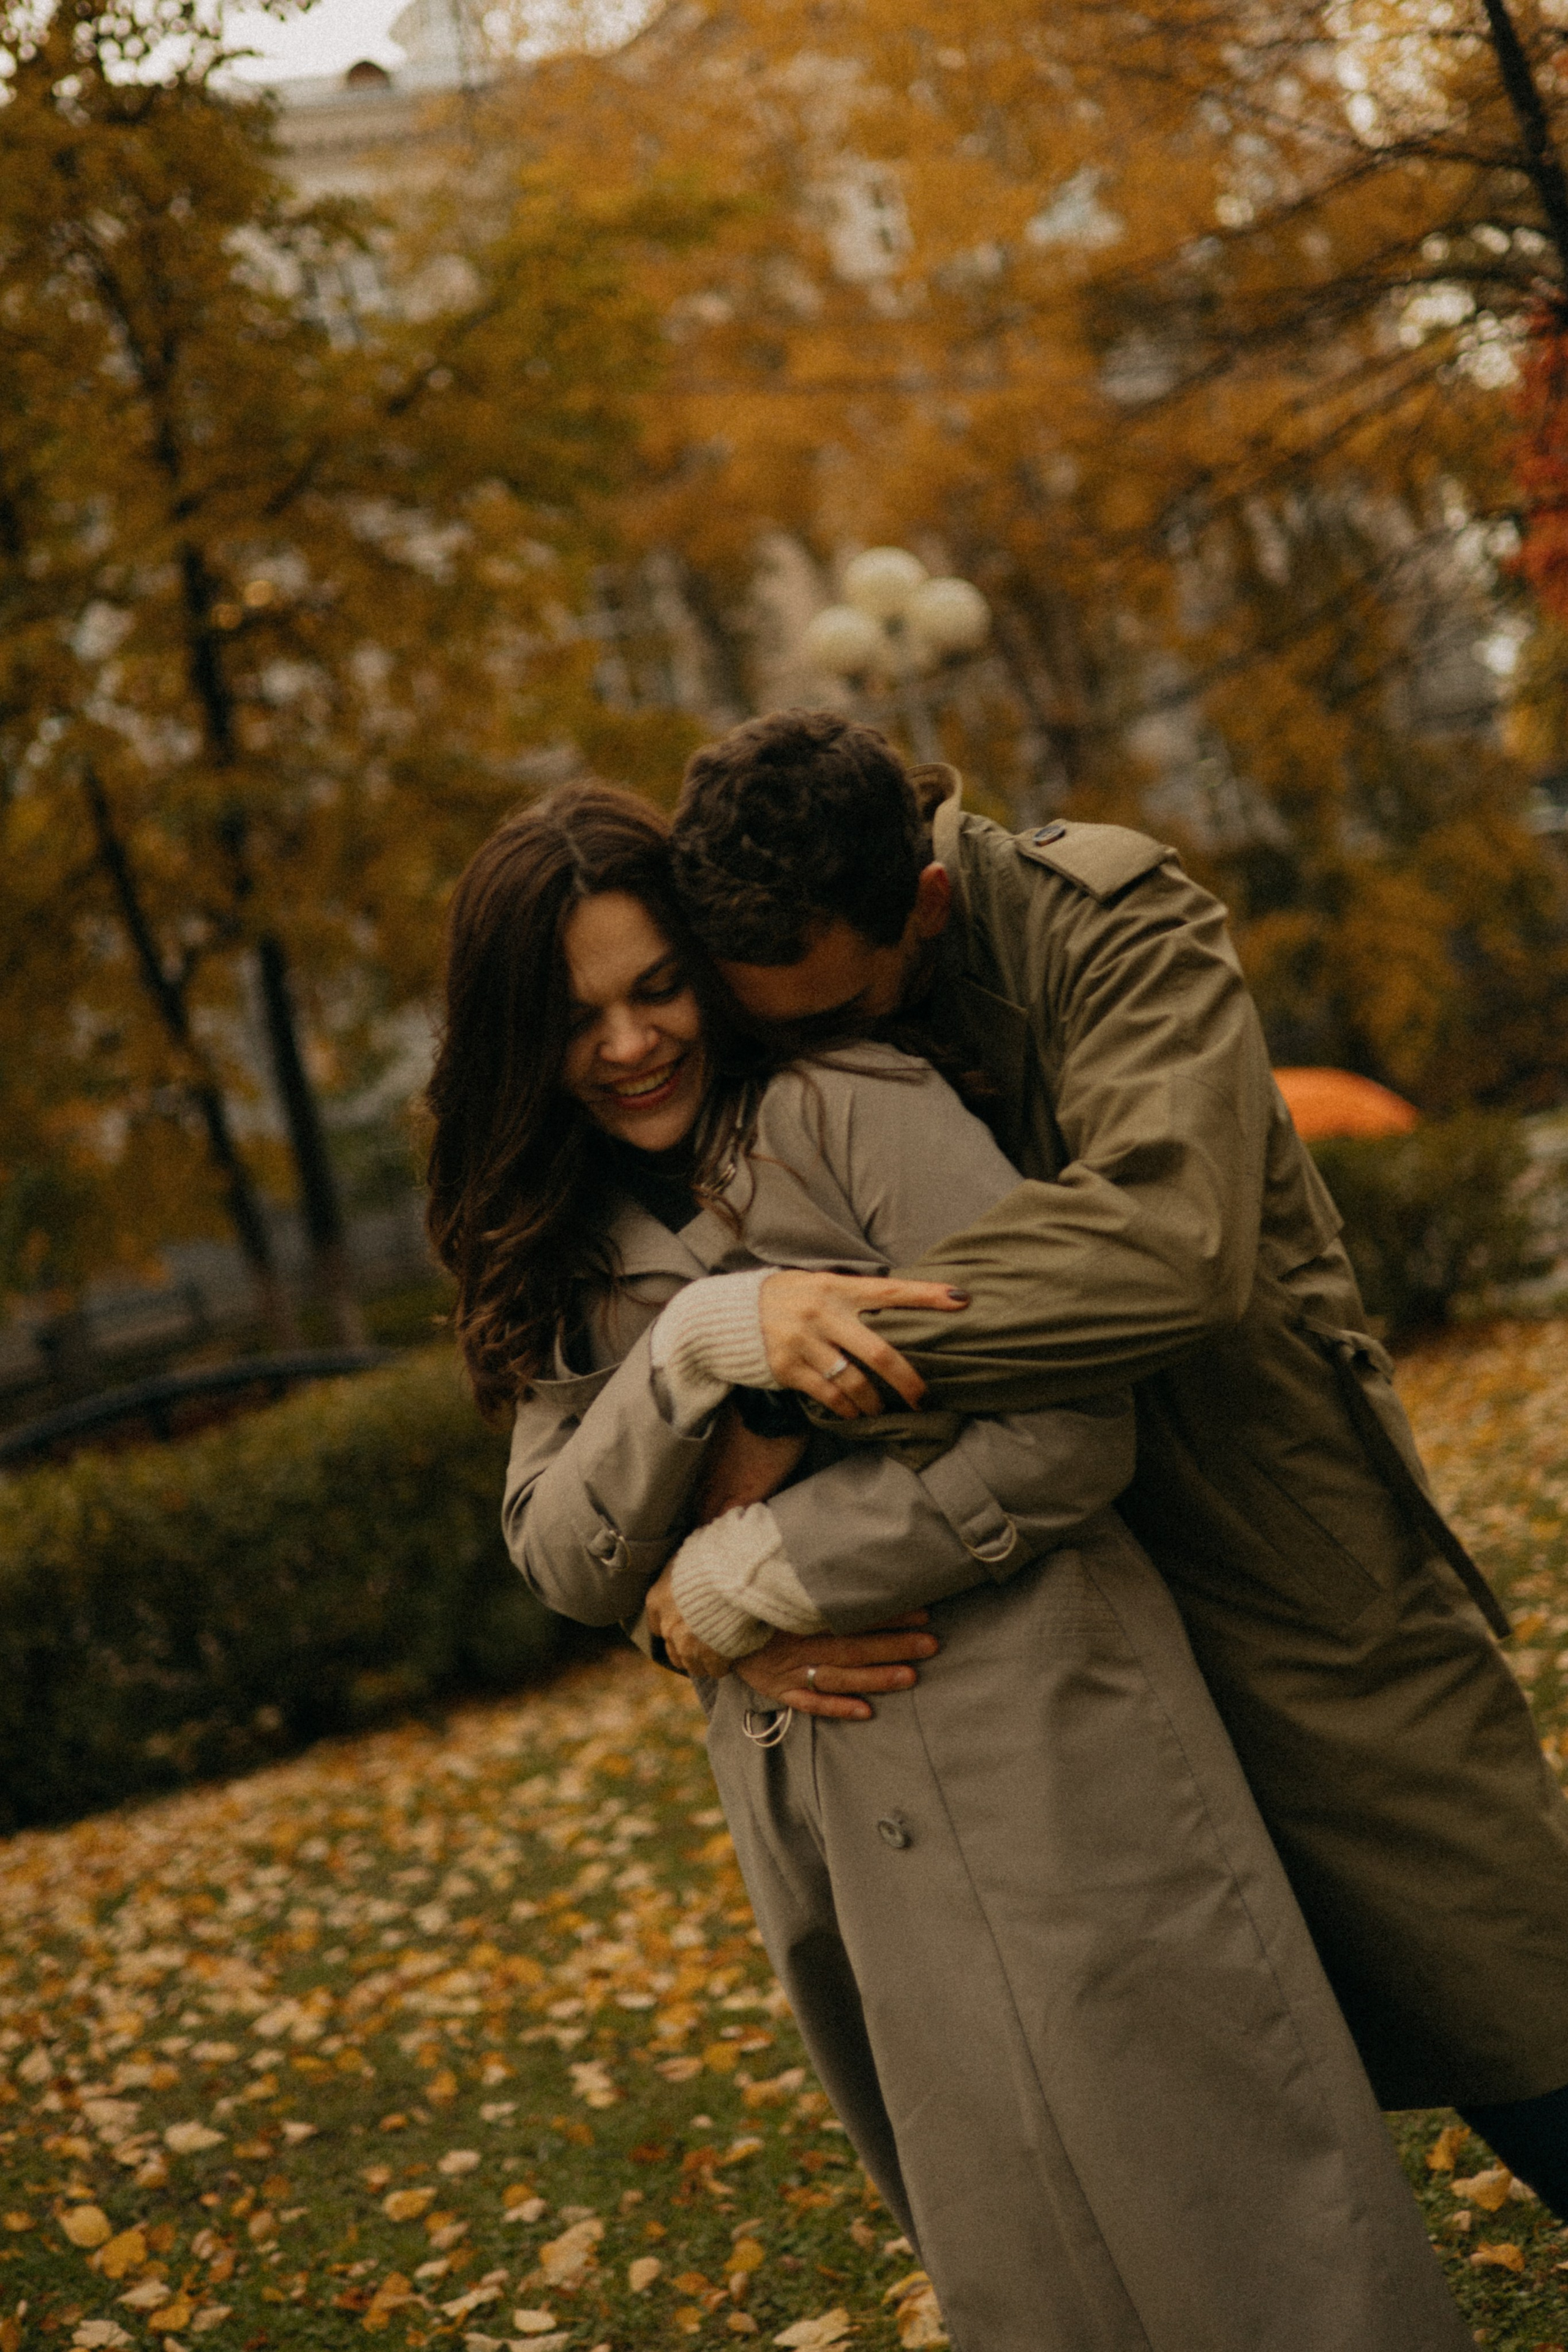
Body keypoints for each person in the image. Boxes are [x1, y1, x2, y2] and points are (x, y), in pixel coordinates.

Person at [425, 780, 1471, 2352]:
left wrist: (760, 1573)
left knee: (1241, 2225)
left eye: (657, 990)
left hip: (1049, 1737)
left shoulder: (852, 1108)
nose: (631, 1043)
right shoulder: (552, 1245)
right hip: (819, 1811)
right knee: (1025, 2266)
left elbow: (1067, 1432)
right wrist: (702, 1347)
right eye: (580, 1017)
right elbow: (565, 1555)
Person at [666, 704, 1568, 2210]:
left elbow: (1167, 1249)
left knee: (1495, 1969)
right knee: (1194, 2065)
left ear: (927, 906)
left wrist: (802, 1375)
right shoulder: (754, 997)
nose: (820, 1062)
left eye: (840, 1015)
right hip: (1039, 1609)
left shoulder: (1112, 921)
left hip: (1276, 1546)